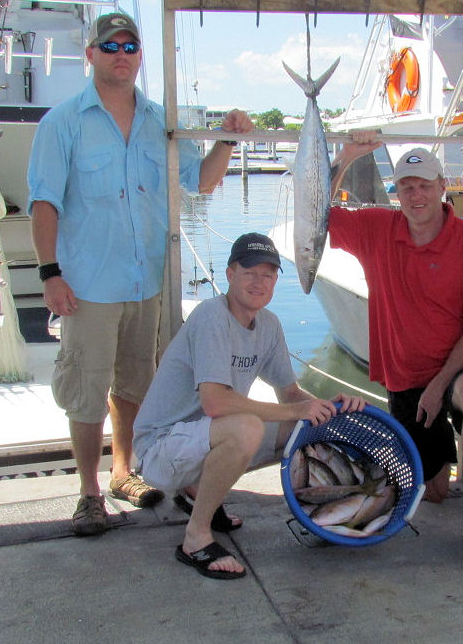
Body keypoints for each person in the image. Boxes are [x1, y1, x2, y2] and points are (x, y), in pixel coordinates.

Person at [27, 11, 253, 536]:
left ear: (140, 55)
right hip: (88, 285)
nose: (121, 55)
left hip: (145, 282)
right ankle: (88, 493)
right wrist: (50, 273)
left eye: (130, 46)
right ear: (91, 54)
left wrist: (226, 139)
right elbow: (44, 203)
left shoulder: (159, 121)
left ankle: (123, 472)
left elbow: (201, 181)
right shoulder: (62, 123)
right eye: (110, 46)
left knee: (135, 383)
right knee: (86, 389)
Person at [133, 232, 366, 580]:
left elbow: (291, 395)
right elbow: (215, 403)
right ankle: (195, 539)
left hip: (200, 441)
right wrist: (295, 411)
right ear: (230, 274)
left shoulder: (268, 324)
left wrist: (326, 406)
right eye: (250, 273)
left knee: (305, 426)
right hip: (160, 448)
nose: (259, 282)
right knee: (246, 427)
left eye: (268, 275)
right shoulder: (212, 317)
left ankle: (198, 494)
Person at [327, 137, 463, 573]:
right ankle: (441, 461)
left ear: (442, 186)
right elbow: (317, 215)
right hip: (405, 378)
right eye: (407, 186)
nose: (416, 195)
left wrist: (440, 385)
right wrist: (345, 158)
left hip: (456, 369)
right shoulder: (376, 228)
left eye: (424, 185)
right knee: (434, 492)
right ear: (397, 192)